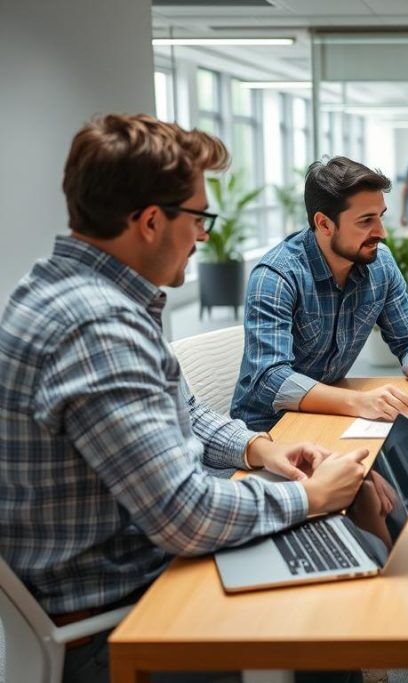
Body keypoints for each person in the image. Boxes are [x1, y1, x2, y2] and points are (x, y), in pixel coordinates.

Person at [0, 114, 370, 683]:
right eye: (198, 217)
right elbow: (186, 516)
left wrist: (259, 448)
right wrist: (310, 499)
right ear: (150, 221)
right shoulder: (97, 328)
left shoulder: (71, 291)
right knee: (328, 621)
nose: (203, 236)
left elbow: (182, 410)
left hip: (135, 580)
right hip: (117, 626)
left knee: (337, 560)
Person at [233, 156, 408, 432]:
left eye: (381, 217)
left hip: (331, 417)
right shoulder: (276, 277)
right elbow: (271, 379)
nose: (382, 232)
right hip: (268, 430)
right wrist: (359, 402)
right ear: (324, 224)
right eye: (366, 221)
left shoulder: (380, 264)